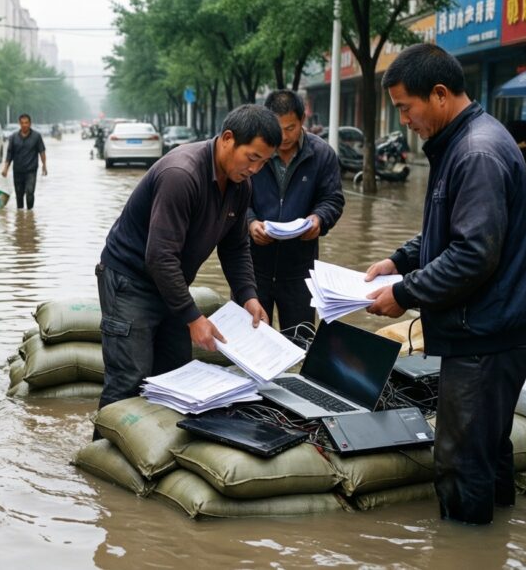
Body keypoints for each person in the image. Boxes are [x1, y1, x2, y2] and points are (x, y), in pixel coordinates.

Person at [365, 44, 526, 525]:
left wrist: (403, 294)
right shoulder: (464, 144)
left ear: (440, 94)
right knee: (487, 449)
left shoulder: (476, 152)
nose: (403, 120)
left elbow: (472, 254)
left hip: (486, 336)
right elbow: (451, 231)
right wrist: (398, 259)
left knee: (461, 462)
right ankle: (495, 539)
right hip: (492, 329)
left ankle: (467, 547)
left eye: (406, 107)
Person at [96, 105, 281, 410]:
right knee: (128, 380)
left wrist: (248, 296)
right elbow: (159, 256)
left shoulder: (240, 186)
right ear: (227, 139)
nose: (255, 169)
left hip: (171, 283)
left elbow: (235, 248)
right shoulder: (181, 175)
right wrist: (193, 317)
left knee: (175, 377)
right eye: (252, 158)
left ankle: (158, 455)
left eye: (263, 162)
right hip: (130, 281)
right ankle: (99, 456)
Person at [247, 90, 344, 332]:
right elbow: (235, 198)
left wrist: (319, 219)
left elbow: (332, 199)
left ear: (302, 120)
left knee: (300, 340)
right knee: (250, 342)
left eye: (290, 128)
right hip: (253, 268)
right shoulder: (254, 153)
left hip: (300, 270)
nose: (283, 136)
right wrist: (249, 223)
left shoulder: (321, 154)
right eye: (277, 128)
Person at [1, 114, 47, 209]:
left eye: (26, 123)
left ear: (30, 124)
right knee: (19, 196)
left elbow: (42, 152)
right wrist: (5, 169)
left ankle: (30, 214)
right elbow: (9, 155)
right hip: (18, 171)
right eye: (22, 123)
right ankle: (21, 217)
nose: (24, 125)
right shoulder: (13, 137)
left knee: (30, 193)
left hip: (31, 171)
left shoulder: (36, 136)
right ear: (19, 124)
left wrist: (44, 165)